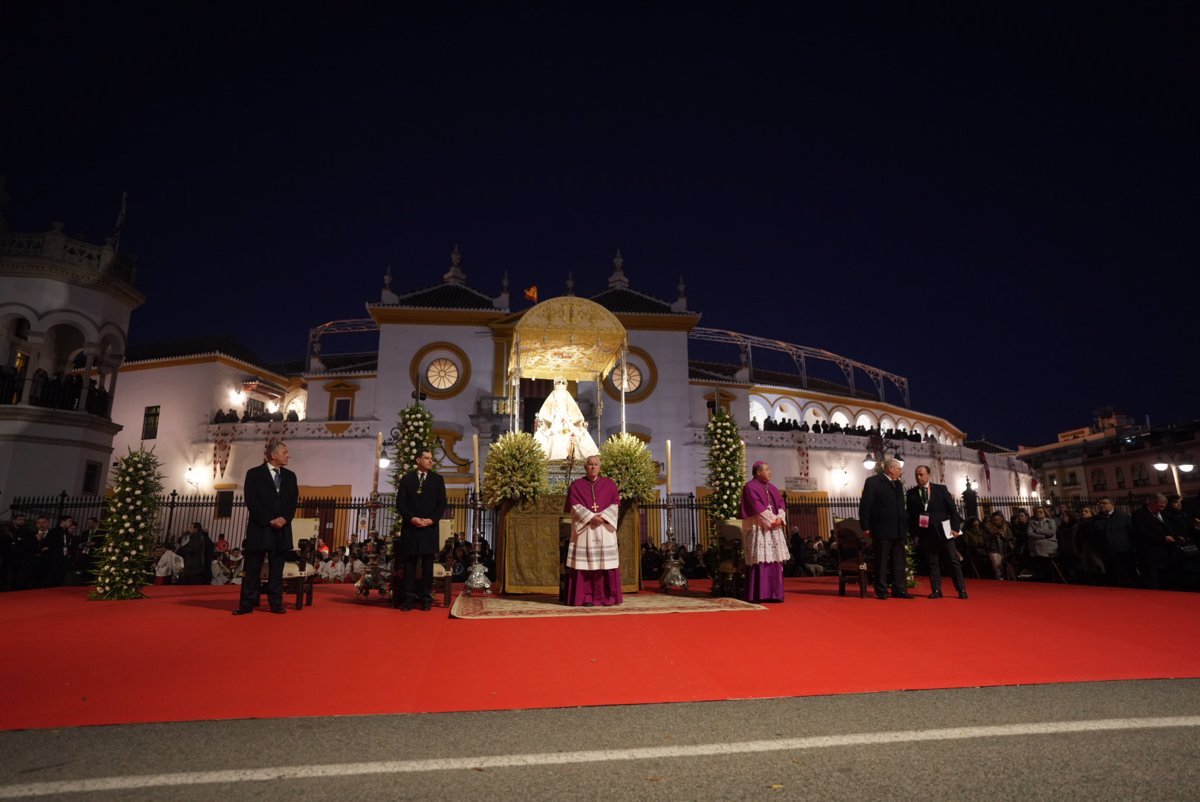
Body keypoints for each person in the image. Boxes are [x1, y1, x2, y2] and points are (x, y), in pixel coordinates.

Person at [234, 440, 298, 616]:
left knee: (277, 569)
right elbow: (251, 501)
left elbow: (293, 502)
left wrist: (284, 518)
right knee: (253, 568)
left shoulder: (290, 476)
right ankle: (247, 603)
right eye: (284, 452)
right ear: (273, 454)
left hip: (282, 529)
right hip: (260, 529)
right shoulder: (254, 474)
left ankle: (276, 603)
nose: (287, 455)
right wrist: (269, 520)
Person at [563, 454, 623, 606]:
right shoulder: (576, 485)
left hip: (604, 528)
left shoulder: (609, 484)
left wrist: (602, 518)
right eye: (590, 464)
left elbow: (615, 504)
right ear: (585, 467)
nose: (593, 467)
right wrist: (590, 517)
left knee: (605, 564)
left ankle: (607, 597)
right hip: (586, 529)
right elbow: (574, 505)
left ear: (600, 466)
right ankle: (585, 597)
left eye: (596, 464)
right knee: (585, 566)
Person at [395, 449, 448, 611]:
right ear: (418, 460)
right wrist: (412, 518)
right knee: (409, 566)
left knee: (427, 566)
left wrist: (431, 520)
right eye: (426, 458)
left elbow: (441, 505)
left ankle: (426, 599)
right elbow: (401, 504)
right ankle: (409, 599)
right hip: (411, 528)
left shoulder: (437, 480)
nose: (430, 461)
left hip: (429, 529)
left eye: (431, 458)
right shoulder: (407, 479)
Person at [906, 464, 967, 598]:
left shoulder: (941, 489)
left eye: (921, 474)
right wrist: (914, 533)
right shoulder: (911, 494)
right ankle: (936, 590)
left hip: (944, 530)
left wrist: (955, 528)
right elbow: (911, 516)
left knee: (953, 560)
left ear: (928, 475)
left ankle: (961, 589)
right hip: (927, 533)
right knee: (932, 562)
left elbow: (952, 510)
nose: (919, 477)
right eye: (917, 474)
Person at [739, 460, 790, 602]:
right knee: (761, 559)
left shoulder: (772, 488)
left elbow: (780, 503)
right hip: (759, 528)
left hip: (773, 529)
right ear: (758, 472)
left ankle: (775, 594)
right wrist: (773, 520)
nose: (770, 472)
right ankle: (760, 594)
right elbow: (756, 506)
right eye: (767, 470)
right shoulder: (750, 487)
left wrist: (780, 517)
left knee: (774, 559)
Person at [859, 458, 911, 599]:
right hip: (882, 529)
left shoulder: (898, 484)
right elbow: (865, 505)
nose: (900, 472)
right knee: (881, 561)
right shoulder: (873, 482)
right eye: (898, 469)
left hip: (899, 529)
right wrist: (865, 526)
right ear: (890, 469)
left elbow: (900, 507)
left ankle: (899, 589)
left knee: (898, 561)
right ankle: (881, 590)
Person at [533, 377, 599, 460]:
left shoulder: (567, 394)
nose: (560, 383)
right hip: (556, 419)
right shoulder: (553, 394)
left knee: (574, 434)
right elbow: (547, 408)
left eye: (562, 382)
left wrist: (573, 419)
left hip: (567, 419)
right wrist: (547, 419)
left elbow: (572, 408)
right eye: (559, 382)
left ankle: (572, 456)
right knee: (553, 435)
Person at [1131, 493, 1175, 590]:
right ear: (1152, 503)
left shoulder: (1165, 514)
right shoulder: (1139, 515)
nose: (1162, 508)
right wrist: (1163, 538)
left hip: (1167, 554)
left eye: (1164, 506)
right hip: (1150, 555)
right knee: (1153, 582)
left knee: (1167, 581)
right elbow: (1141, 533)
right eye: (1160, 506)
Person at [1025, 506, 1059, 582]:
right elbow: (1030, 534)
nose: (1038, 513)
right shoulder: (1031, 522)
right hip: (1036, 549)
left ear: (1045, 513)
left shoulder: (1051, 521)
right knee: (1039, 568)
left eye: (1041, 512)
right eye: (1037, 512)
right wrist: (1044, 536)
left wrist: (1038, 530)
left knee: (1048, 567)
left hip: (1049, 548)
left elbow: (1051, 532)